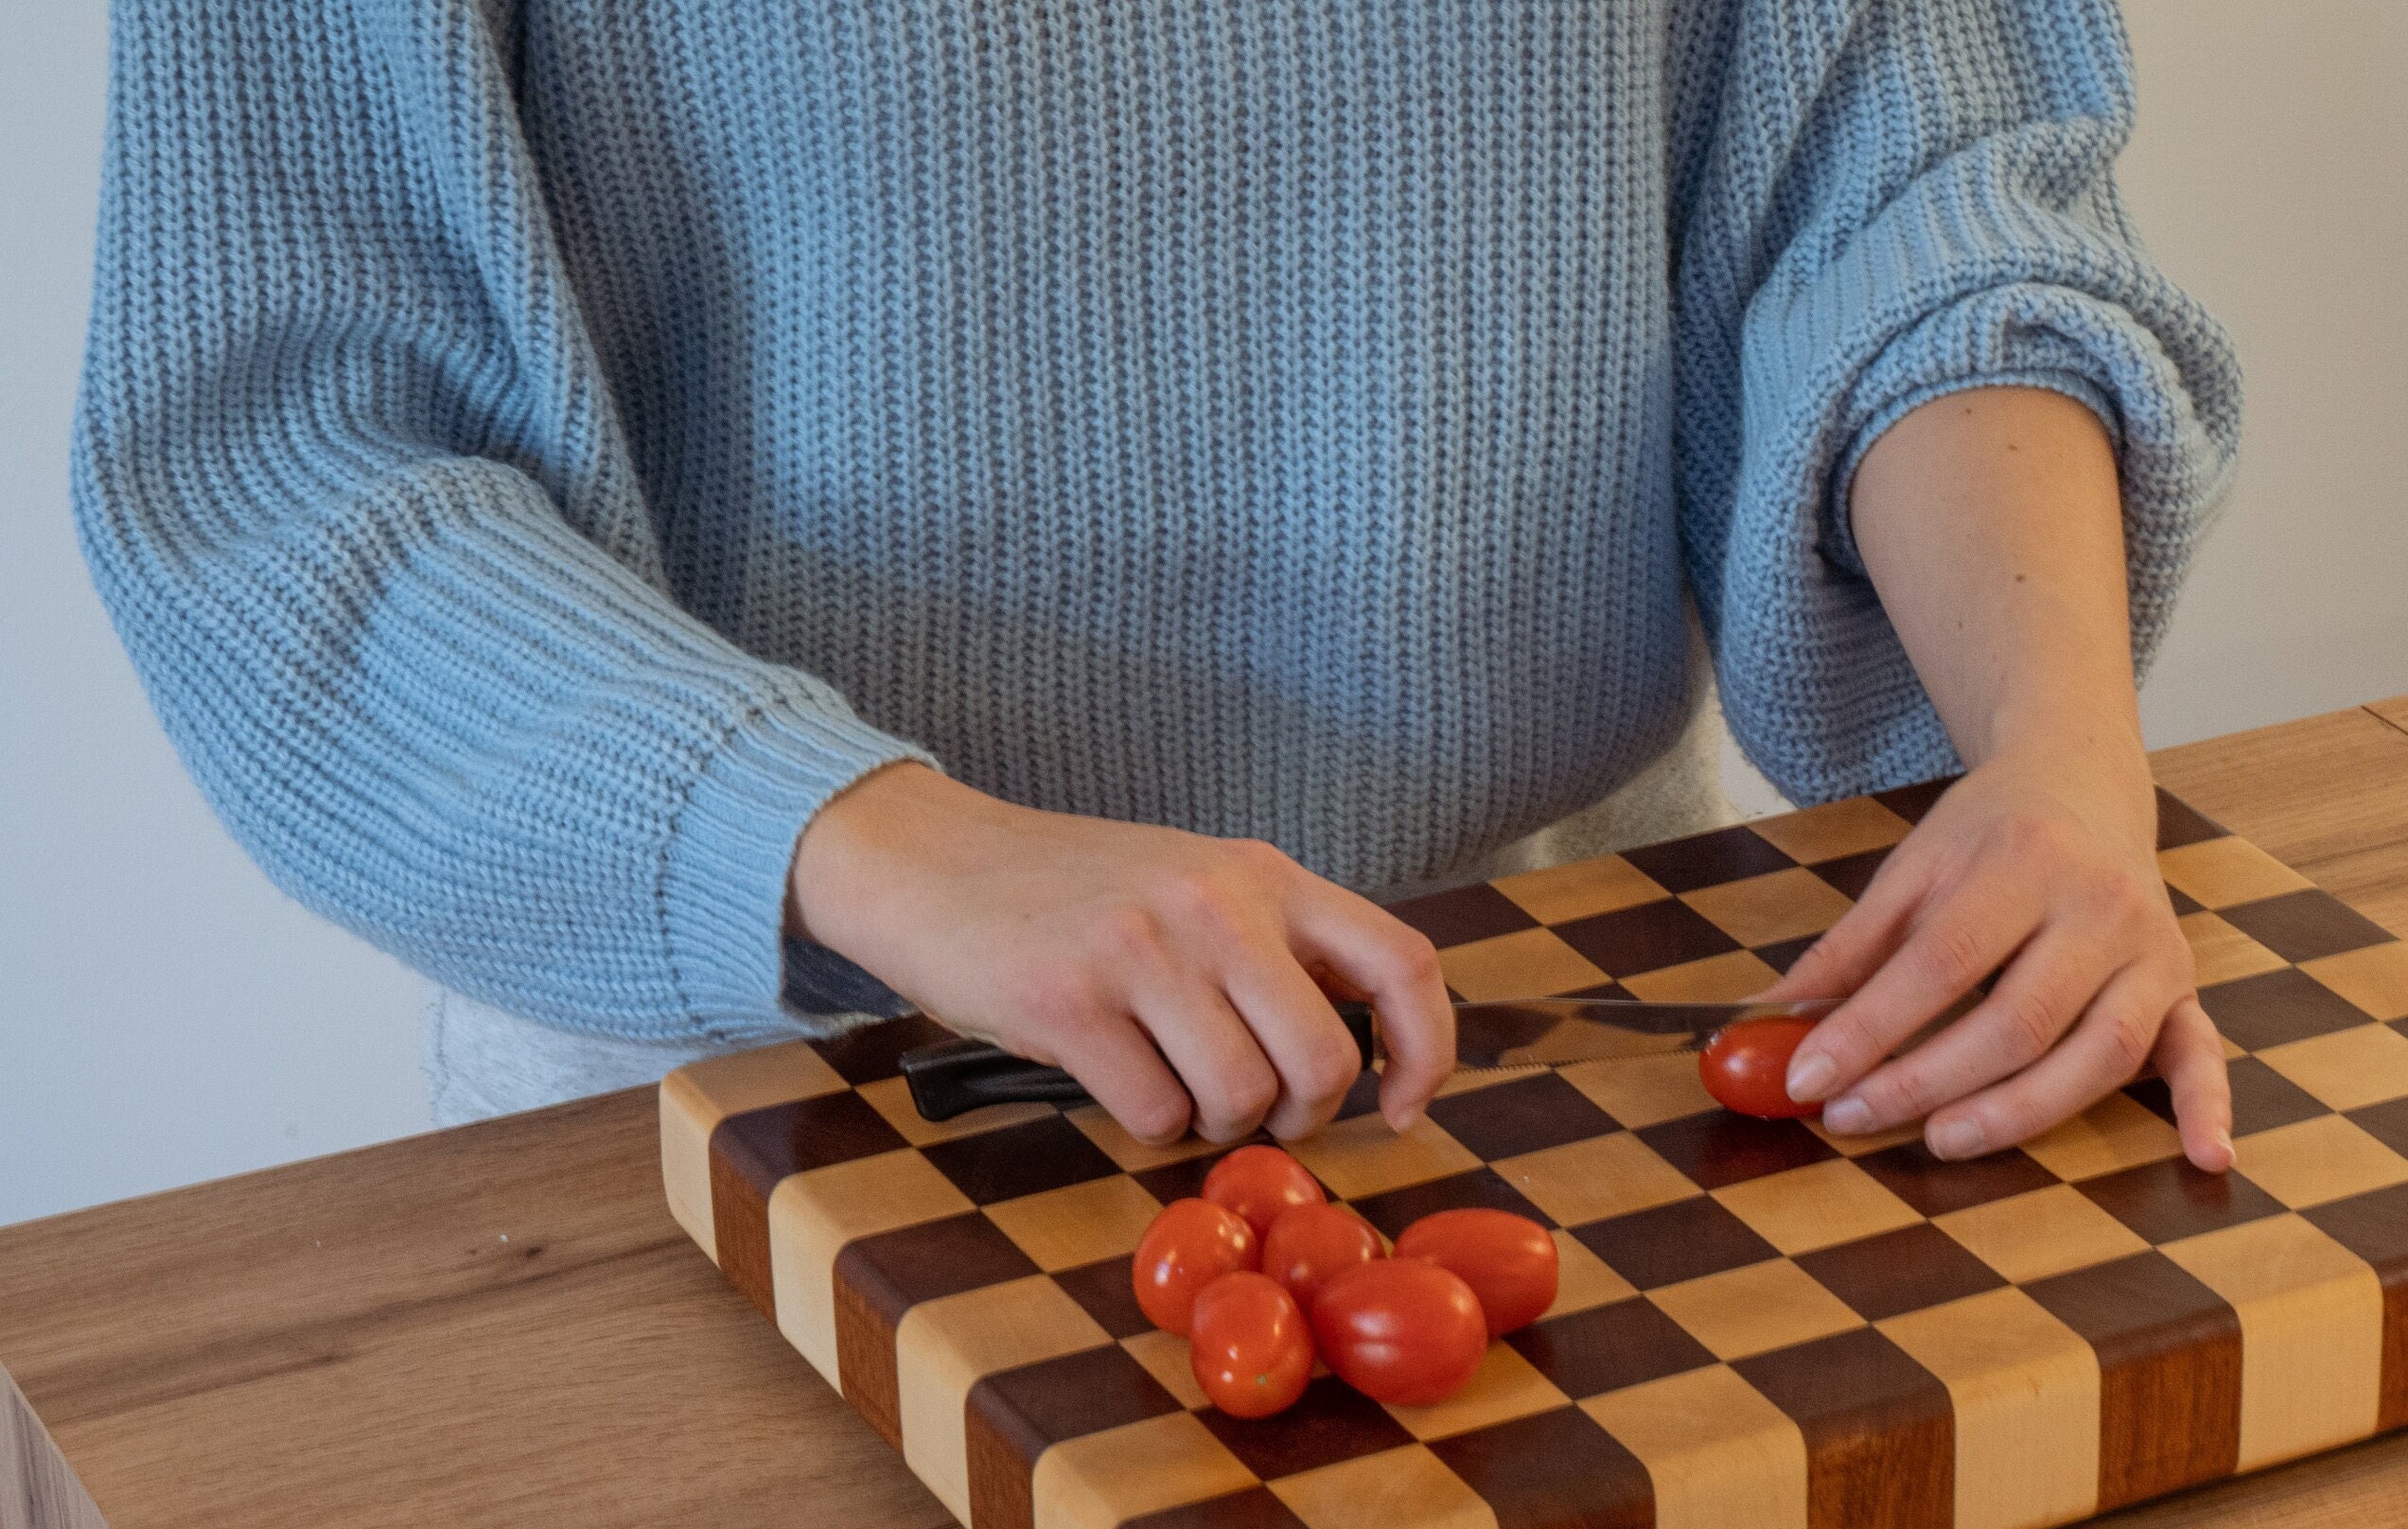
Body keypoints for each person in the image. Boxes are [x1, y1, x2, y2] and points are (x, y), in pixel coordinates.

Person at [76, 0, 2241, 1171]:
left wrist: (2053, 756)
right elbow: (291, 461)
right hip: (737, 1103)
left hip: (1552, 1022)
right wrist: (896, 847)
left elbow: (1931, 196)